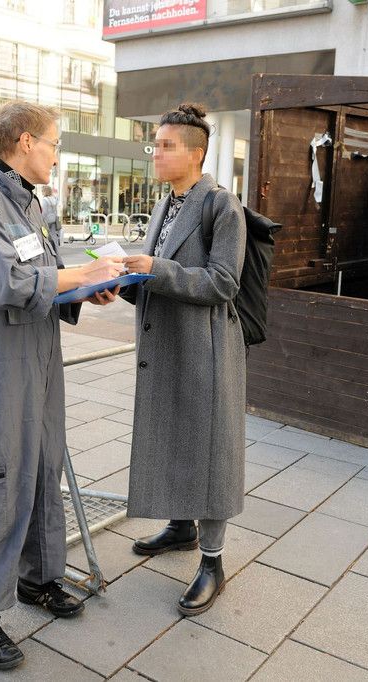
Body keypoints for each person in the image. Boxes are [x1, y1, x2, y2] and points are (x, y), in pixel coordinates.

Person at [0, 101, 122, 670]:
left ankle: (38, 578)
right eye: (53, 144)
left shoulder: (33, 205)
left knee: (45, 470)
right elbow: (7, 279)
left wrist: (84, 290)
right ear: (25, 142)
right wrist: (82, 274)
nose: (56, 155)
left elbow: (45, 278)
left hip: (41, 363)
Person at [121, 103, 247, 616]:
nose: (156, 152)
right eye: (155, 143)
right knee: (172, 432)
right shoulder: (165, 204)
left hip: (206, 347)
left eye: (167, 145)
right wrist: (121, 281)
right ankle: (180, 527)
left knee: (209, 448)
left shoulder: (222, 205)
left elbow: (224, 282)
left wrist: (156, 268)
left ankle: (213, 562)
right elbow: (155, 272)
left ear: (196, 154)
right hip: (167, 341)